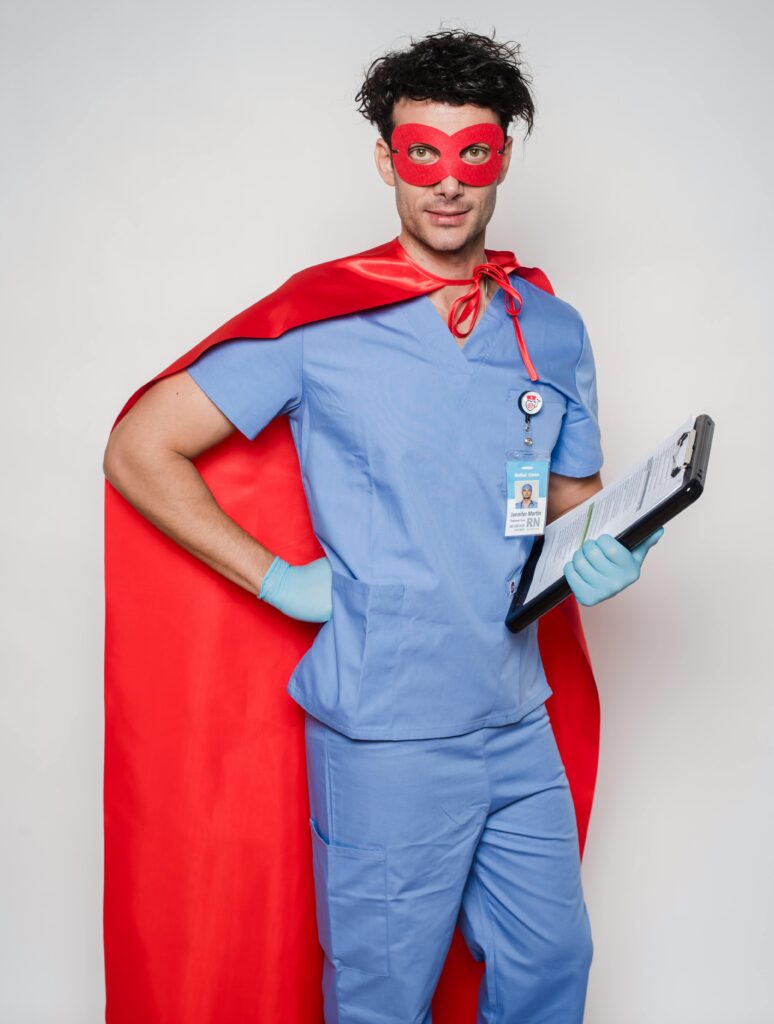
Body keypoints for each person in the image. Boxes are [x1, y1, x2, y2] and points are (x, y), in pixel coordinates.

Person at [103, 29, 663, 1024]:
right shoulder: (319, 324)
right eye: (422, 155)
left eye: (474, 154)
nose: (448, 185)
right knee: (381, 996)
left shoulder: (549, 325)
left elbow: (568, 501)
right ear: (386, 161)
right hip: (388, 730)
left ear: (502, 160)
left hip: (515, 716)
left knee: (550, 966)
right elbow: (142, 446)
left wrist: (616, 541)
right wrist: (277, 577)